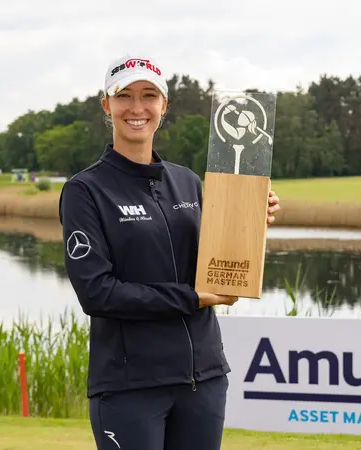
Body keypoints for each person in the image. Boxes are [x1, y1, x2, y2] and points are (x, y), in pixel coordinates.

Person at [58, 54, 281, 450]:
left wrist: (247, 223)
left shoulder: (187, 181)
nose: (137, 107)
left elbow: (211, 263)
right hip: (131, 387)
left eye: (149, 95)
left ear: (164, 105)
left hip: (204, 379)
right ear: (106, 105)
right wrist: (191, 297)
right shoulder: (85, 190)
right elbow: (98, 293)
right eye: (124, 96)